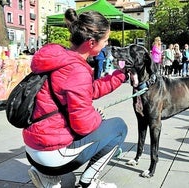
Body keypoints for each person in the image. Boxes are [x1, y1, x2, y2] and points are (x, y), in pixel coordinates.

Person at [24, 8, 128, 188]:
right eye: (105, 40)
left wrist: (118, 76)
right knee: (119, 126)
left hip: (33, 147)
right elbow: (84, 124)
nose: (106, 44)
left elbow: (87, 90)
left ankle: (45, 176)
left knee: (99, 123)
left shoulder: (60, 58)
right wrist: (96, 115)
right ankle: (89, 181)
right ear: (91, 42)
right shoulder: (76, 70)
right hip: (51, 154)